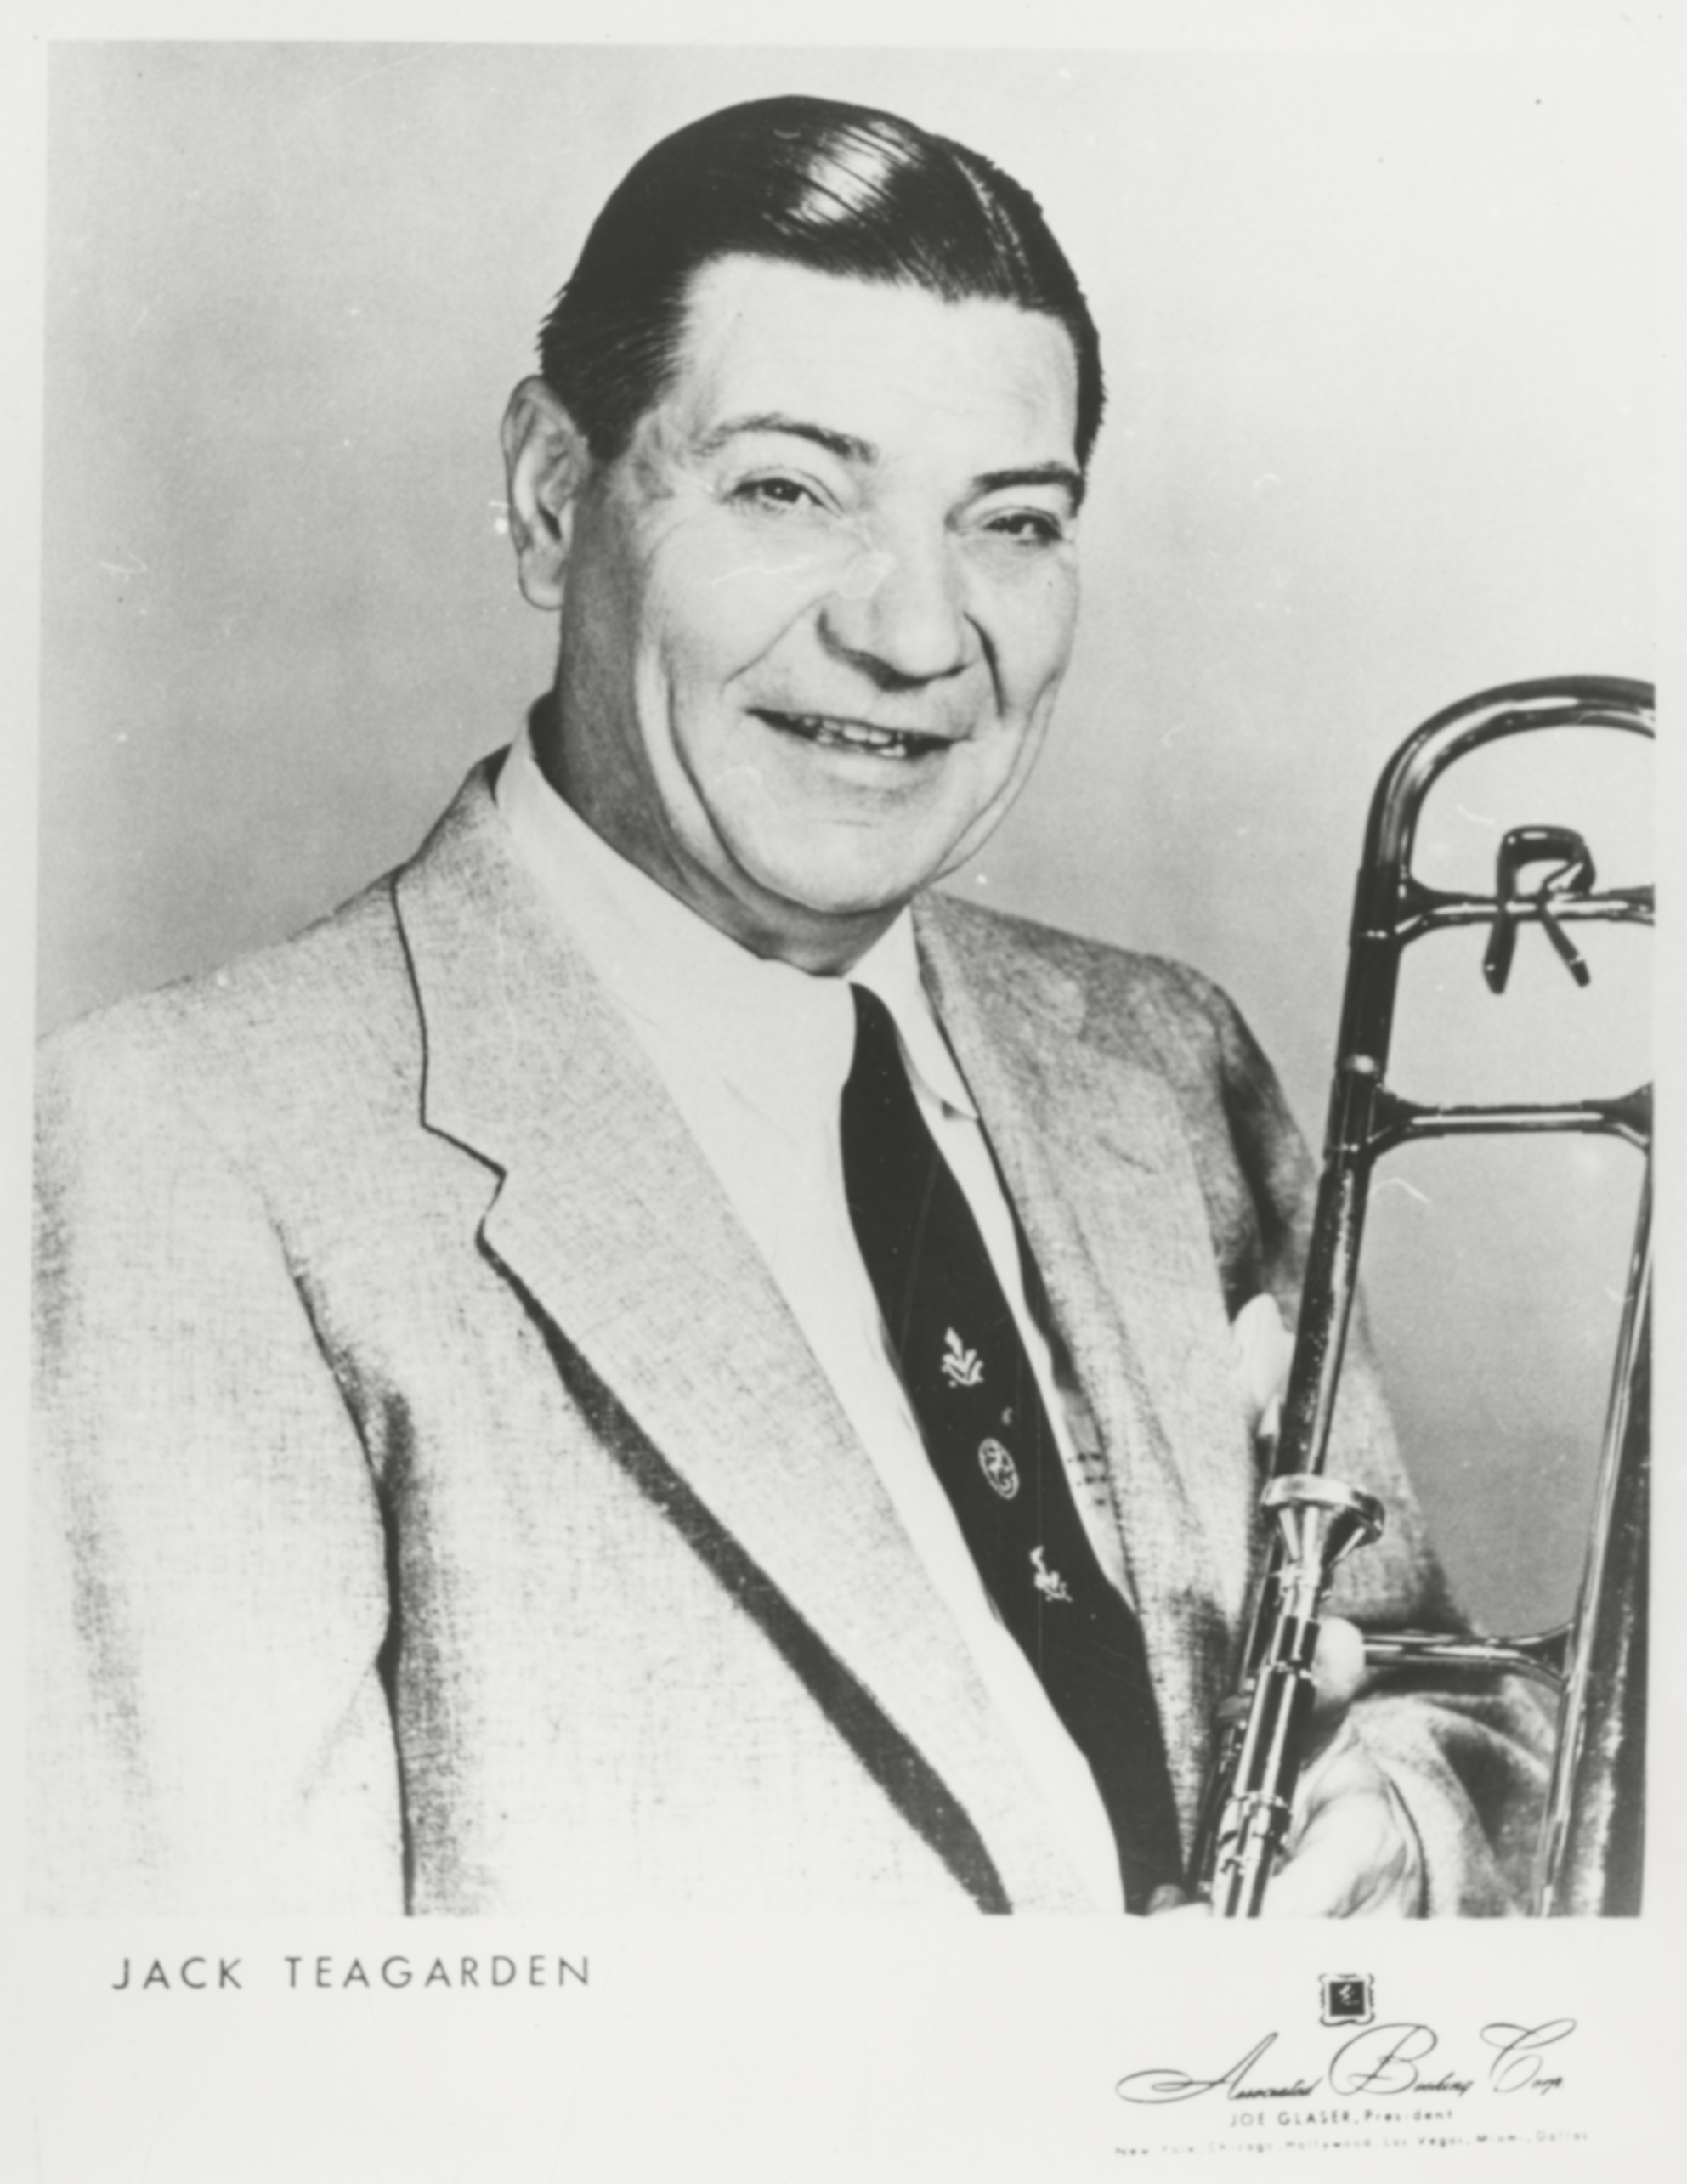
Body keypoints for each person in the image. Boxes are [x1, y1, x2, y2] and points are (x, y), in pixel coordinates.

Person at [30, 95, 1545, 1916]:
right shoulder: (181, 1147)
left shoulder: (1162, 1059)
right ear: (551, 495)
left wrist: (1406, 1823)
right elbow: (230, 2030)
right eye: (787, 491)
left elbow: (1436, 1681)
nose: (915, 636)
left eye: (1011, 522)